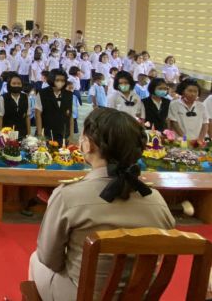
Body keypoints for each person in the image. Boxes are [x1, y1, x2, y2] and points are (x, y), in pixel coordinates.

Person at [29, 107, 174, 300]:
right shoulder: (156, 200)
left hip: (83, 295)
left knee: (35, 259)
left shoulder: (67, 196)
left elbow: (50, 259)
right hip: (137, 296)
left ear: (88, 145)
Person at [34, 69, 74, 143]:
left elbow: (70, 116)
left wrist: (71, 135)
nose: (60, 82)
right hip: (46, 133)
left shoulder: (69, 94)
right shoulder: (42, 93)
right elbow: (37, 114)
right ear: (51, 80)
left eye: (63, 80)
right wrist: (40, 134)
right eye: (57, 80)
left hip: (63, 133)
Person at [168, 79, 209, 144]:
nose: (193, 94)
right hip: (180, 140)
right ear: (183, 91)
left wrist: (200, 139)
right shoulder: (174, 104)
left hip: (197, 141)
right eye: (190, 91)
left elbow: (205, 124)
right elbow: (174, 123)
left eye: (195, 91)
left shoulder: (201, 106)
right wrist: (185, 139)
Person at [0, 73, 30, 138]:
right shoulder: (3, 98)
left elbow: (27, 117)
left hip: (22, 132)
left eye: (19, 83)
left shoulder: (26, 97)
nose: (16, 85)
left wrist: (29, 134)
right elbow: (0, 118)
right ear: (9, 85)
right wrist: (0, 135)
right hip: (7, 133)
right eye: (14, 83)